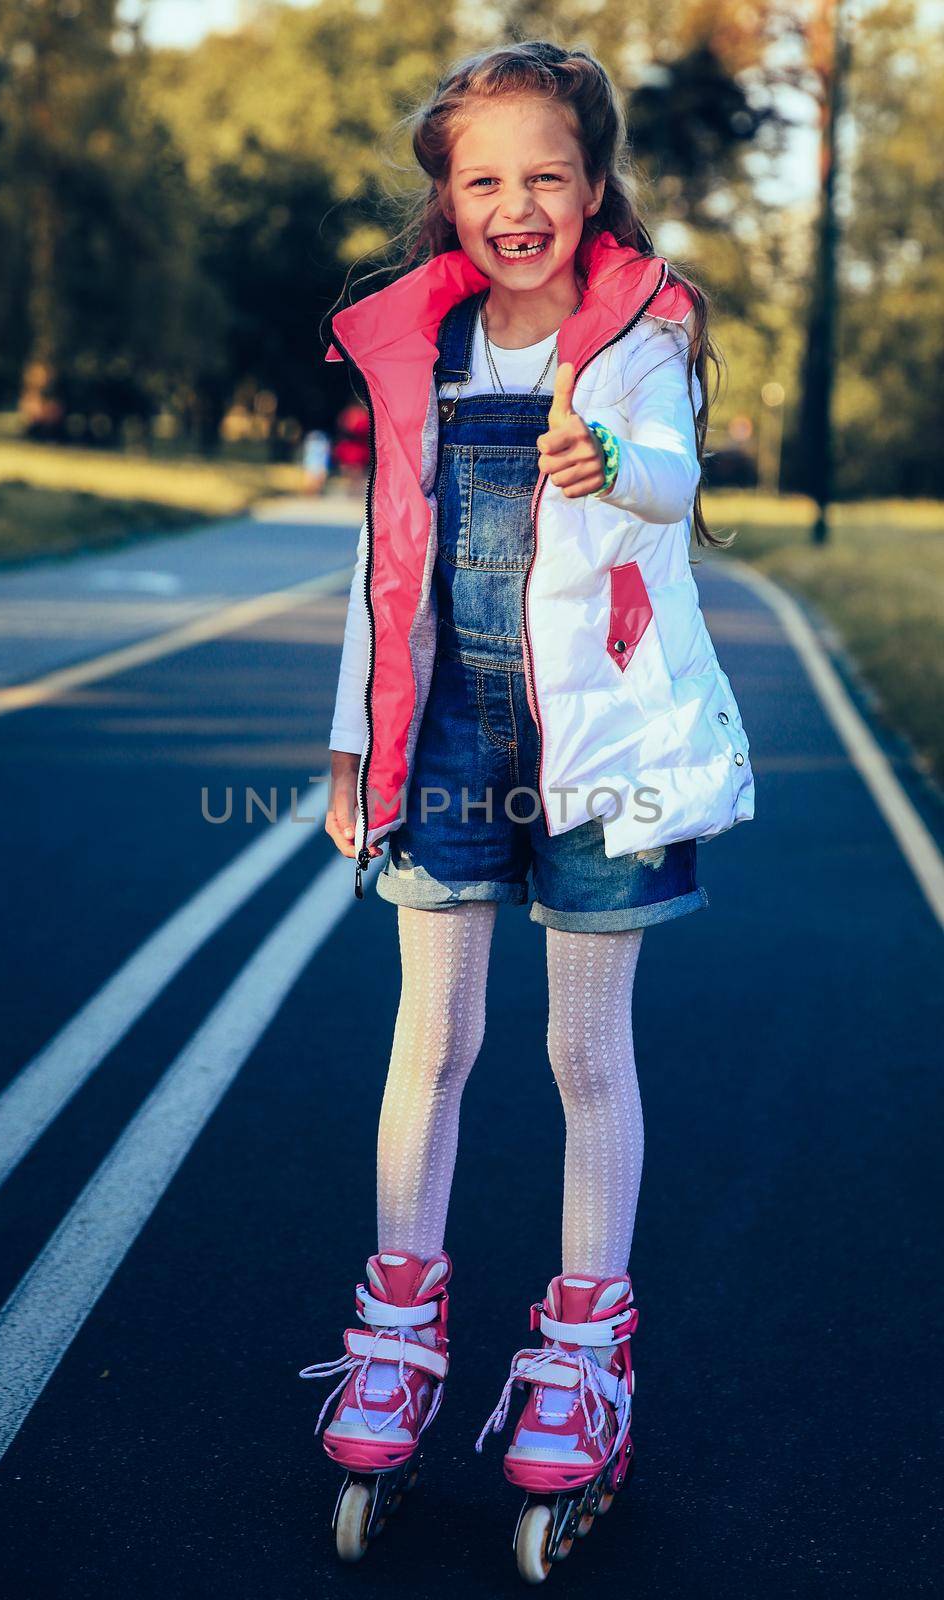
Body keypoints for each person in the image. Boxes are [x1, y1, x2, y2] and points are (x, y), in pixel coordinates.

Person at [299, 41, 755, 1575]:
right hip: (443, 736)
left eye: (547, 176)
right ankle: (398, 1327)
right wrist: (355, 744)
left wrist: (612, 455)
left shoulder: (636, 329)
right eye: (484, 177)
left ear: (594, 185)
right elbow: (390, 568)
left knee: (579, 1047)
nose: (516, 205)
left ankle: (583, 1352)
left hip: (600, 743)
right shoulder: (421, 351)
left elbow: (683, 481)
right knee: (432, 1040)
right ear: (447, 193)